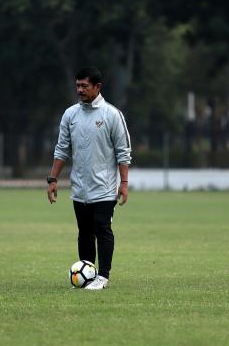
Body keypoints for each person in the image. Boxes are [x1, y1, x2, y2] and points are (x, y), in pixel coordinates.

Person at [47, 67, 132, 290]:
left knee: (102, 228)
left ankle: (103, 276)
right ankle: (87, 271)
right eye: (78, 85)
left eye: (85, 86)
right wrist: (52, 179)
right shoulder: (70, 115)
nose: (80, 90)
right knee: (84, 233)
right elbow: (61, 149)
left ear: (98, 87)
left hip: (104, 188)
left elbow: (124, 152)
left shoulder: (112, 115)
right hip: (79, 189)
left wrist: (123, 184)